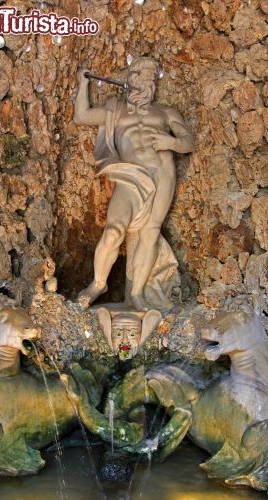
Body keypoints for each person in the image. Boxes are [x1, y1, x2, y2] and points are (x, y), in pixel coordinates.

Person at [74, 57, 194, 311]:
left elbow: (187, 142)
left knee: (150, 232)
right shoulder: (115, 110)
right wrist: (82, 84)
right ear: (130, 78)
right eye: (142, 75)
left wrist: (171, 143)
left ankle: (137, 294)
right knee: (114, 231)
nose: (146, 81)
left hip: (162, 175)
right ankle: (98, 284)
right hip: (130, 177)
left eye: (151, 77)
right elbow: (81, 116)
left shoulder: (166, 112)